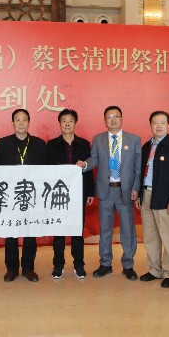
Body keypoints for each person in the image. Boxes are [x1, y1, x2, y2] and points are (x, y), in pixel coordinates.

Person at [77, 106, 142, 281]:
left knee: (128, 229)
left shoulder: (134, 139)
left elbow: (138, 167)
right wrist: (85, 165)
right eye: (109, 117)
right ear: (104, 120)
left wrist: (136, 188)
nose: (113, 119)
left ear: (122, 119)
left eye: (116, 116)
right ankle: (105, 263)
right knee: (105, 229)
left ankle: (128, 265)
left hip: (125, 191)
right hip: (105, 191)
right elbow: (94, 159)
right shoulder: (98, 139)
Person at [0, 108, 47, 282]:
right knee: (11, 232)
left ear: (29, 123)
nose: (21, 123)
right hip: (10, 195)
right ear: (12, 123)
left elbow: (46, 170)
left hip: (32, 195)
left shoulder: (39, 144)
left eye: (24, 120)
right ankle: (11, 269)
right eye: (18, 120)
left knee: (30, 232)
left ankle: (28, 268)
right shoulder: (3, 143)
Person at [137, 111, 169, 288]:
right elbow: (141, 172)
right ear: (150, 125)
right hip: (146, 195)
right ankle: (154, 270)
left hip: (165, 198)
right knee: (150, 237)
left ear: (168, 125)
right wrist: (140, 194)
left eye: (162, 123)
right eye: (155, 123)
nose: (158, 126)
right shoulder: (146, 147)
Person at [47, 109, 95, 279]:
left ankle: (79, 265)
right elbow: (46, 171)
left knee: (77, 231)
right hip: (57, 194)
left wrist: (90, 191)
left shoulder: (84, 144)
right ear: (59, 124)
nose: (67, 124)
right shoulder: (51, 145)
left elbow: (88, 170)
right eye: (64, 121)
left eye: (70, 121)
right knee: (59, 232)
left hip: (78, 193)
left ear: (75, 123)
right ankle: (58, 265)